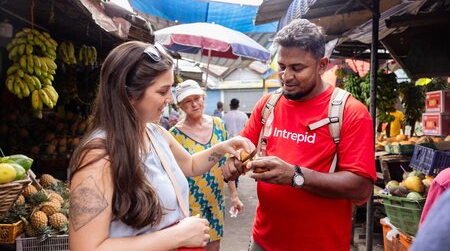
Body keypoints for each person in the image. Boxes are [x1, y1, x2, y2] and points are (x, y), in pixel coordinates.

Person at [68, 41, 254, 251]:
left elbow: (191, 165)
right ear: (128, 95)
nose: (171, 99)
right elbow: (85, 248)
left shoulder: (156, 133)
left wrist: (222, 147)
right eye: (162, 91)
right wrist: (177, 236)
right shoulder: (98, 157)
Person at [222, 19, 376, 251]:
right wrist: (233, 163)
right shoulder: (269, 104)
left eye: (297, 68)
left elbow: (361, 186)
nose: (286, 76)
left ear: (322, 65)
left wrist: (295, 176)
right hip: (263, 241)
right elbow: (243, 148)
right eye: (282, 66)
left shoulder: (350, 111)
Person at [169, 80, 243, 251]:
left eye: (197, 98)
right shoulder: (174, 135)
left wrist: (234, 195)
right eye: (188, 101)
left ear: (204, 98)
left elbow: (226, 162)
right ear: (180, 105)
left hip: (215, 200)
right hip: (190, 204)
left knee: (215, 246)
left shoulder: (218, 124)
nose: (194, 104)